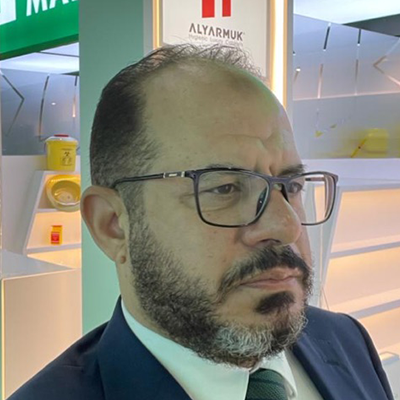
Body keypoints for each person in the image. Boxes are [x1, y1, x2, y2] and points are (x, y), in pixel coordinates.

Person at [9, 44, 394, 400]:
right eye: (225, 189)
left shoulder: (345, 340)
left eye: (291, 187)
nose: (286, 227)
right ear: (113, 224)